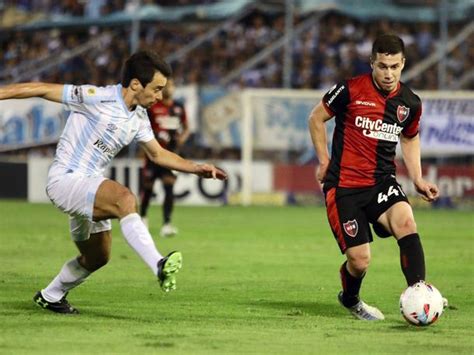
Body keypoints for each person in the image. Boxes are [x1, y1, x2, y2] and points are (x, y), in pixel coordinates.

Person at [0, 50, 227, 314]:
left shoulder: (139, 117)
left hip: (89, 187)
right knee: (125, 199)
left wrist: (196, 168)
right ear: (135, 84)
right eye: (156, 89)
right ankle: (158, 264)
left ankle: (51, 295)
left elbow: (158, 154)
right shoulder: (96, 97)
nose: (160, 96)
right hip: (66, 180)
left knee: (98, 257)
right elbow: (40, 88)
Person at [308, 34, 440, 321]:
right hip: (344, 187)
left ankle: (419, 296)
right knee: (359, 261)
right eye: (382, 66)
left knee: (406, 220)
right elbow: (315, 118)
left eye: (394, 66)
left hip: (382, 182)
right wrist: (323, 160)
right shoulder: (349, 89)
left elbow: (410, 137)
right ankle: (351, 299)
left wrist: (417, 178)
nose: (389, 73)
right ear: (372, 63)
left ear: (403, 63)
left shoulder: (410, 102)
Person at [140, 79, 190, 237]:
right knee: (148, 187)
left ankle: (167, 224)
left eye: (171, 85)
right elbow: (142, 126)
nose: (169, 88)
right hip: (153, 154)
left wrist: (182, 138)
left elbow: (187, 127)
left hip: (171, 154)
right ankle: (143, 218)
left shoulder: (178, 107)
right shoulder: (153, 106)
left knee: (169, 187)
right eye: (166, 85)